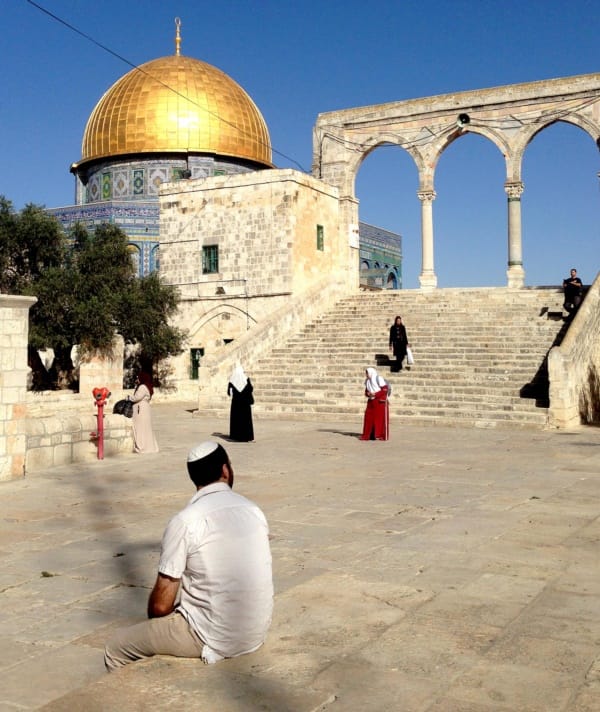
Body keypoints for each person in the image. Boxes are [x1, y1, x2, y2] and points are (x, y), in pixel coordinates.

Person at [104, 441, 273, 671]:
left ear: (194, 478)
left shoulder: (186, 521)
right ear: (226, 470)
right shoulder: (253, 510)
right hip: (255, 632)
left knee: (116, 647)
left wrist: (161, 620)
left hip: (212, 637)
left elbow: (161, 606)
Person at [128, 371, 159, 453]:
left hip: (140, 409)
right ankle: (149, 447)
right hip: (144, 409)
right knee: (145, 428)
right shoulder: (147, 386)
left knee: (140, 428)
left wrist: (128, 398)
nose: (137, 379)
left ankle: (142, 447)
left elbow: (137, 397)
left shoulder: (142, 387)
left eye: (138, 377)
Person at [359, 367, 389, 441]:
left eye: (367, 373)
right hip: (371, 402)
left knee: (380, 419)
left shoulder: (379, 379)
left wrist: (375, 394)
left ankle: (381, 435)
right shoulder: (367, 381)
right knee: (368, 418)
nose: (366, 374)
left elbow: (385, 389)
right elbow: (366, 391)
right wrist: (369, 394)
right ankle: (367, 435)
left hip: (379, 402)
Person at [227, 364, 254, 441]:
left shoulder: (232, 381)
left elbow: (229, 392)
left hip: (236, 404)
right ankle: (247, 437)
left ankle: (236, 436)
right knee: (246, 420)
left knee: (236, 420)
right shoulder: (246, 379)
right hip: (245, 404)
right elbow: (251, 389)